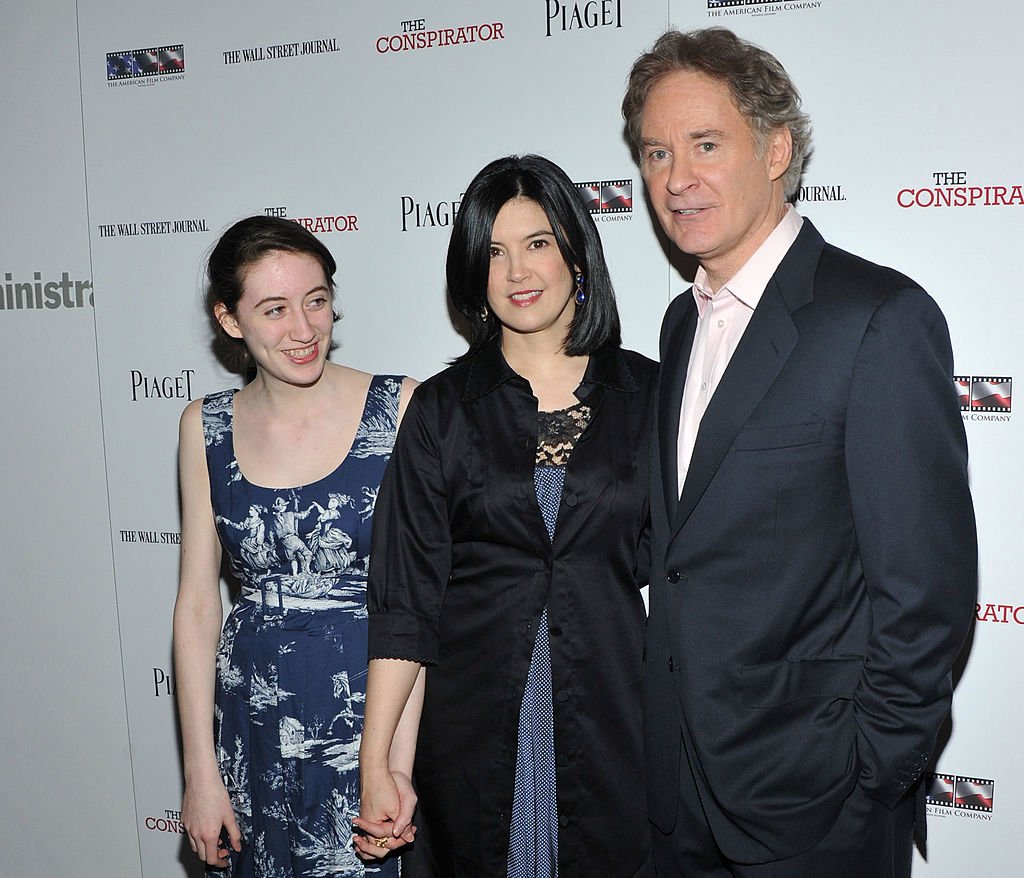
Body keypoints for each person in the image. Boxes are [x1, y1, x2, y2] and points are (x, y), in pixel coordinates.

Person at [621, 28, 977, 877]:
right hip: (677, 794)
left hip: (815, 805)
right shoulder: (681, 322)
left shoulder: (877, 320)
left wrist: (868, 777)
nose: (677, 179)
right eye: (656, 152)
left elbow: (924, 591)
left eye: (706, 144)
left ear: (777, 147)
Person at [354, 154, 656, 877]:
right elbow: (406, 603)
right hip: (475, 725)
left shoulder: (651, 395)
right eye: (494, 252)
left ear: (577, 254)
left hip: (618, 717)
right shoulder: (441, 410)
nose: (518, 271)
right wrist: (376, 763)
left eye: (538, 243)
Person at [173, 215, 421, 877]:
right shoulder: (206, 427)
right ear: (230, 321)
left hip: (375, 715)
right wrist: (200, 775)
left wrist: (395, 767)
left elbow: (417, 603)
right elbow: (199, 605)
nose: (305, 329)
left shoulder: (398, 410)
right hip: (252, 724)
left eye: (317, 300)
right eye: (274, 309)